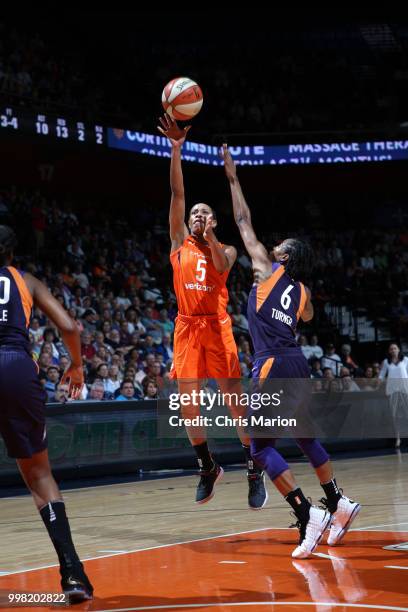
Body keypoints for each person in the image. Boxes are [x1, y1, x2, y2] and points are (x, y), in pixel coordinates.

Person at [222, 145, 361, 559]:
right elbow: (311, 312)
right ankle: (338, 501)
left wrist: (232, 177)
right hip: (298, 364)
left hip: (271, 364)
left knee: (259, 447)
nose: (271, 246)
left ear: (283, 256)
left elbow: (243, 220)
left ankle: (307, 513)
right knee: (304, 436)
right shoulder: (302, 291)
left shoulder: (267, 269)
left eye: (279, 245)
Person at [158, 114, 266, 508]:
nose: (197, 217)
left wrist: (212, 236)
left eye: (205, 214)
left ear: (215, 221)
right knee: (187, 402)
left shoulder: (227, 249)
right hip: (187, 328)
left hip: (217, 327)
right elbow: (176, 195)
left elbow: (222, 265)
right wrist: (175, 149)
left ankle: (253, 466)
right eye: (194, 215)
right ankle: (207, 466)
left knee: (233, 399)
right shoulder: (178, 244)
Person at [0, 226, 93, 601]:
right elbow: (69, 326)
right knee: (39, 475)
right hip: (16, 368)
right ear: (11, 251)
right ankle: (72, 575)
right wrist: (76, 365)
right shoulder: (26, 281)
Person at [379, 343, 408, 448]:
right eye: (391, 349)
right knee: (395, 416)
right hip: (392, 391)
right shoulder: (386, 362)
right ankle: (398, 439)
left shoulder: (405, 360)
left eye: (395, 348)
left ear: (399, 350)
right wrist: (377, 383)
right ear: (389, 351)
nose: (393, 350)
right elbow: (381, 375)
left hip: (405, 390)